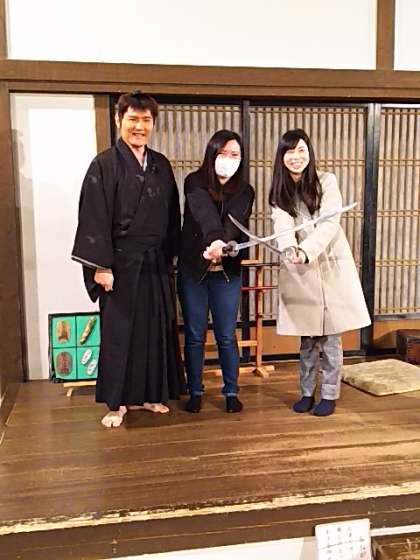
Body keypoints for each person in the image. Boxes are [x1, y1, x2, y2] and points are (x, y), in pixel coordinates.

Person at [72, 91, 184, 428]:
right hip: (119, 266)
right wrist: (100, 266)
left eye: (146, 120)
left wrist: (172, 255)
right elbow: (93, 216)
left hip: (155, 264)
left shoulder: (161, 165)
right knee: (121, 334)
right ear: (118, 119)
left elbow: (171, 215)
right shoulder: (104, 164)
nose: (139, 126)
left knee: (154, 330)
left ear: (153, 124)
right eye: (133, 119)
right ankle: (117, 402)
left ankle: (150, 395)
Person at [269, 129, 371, 416]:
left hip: (329, 265)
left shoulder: (326, 181)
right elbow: (282, 225)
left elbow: (329, 224)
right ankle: (306, 392)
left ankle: (329, 394)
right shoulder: (279, 191)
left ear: (309, 153)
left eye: (301, 150)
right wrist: (290, 249)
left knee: (331, 338)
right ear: (282, 157)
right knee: (307, 339)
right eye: (290, 151)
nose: (296, 156)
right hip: (301, 271)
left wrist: (306, 250)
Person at [177, 130, 255, 414]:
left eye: (235, 155)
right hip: (193, 271)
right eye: (223, 153)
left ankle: (231, 392)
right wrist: (213, 241)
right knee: (195, 334)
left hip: (226, 274)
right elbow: (203, 212)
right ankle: (195, 391)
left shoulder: (245, 191)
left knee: (226, 335)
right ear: (211, 154)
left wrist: (222, 244)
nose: (228, 159)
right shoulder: (194, 182)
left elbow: (235, 221)